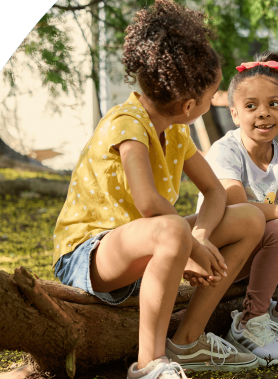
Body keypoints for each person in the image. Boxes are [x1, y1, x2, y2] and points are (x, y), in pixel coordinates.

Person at [52, 1, 266, 377]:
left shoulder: (177, 131)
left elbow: (215, 192)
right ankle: (149, 364)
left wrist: (198, 237)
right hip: (91, 254)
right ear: (187, 105)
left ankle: (187, 341)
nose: (213, 100)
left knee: (248, 217)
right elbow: (148, 203)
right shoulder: (126, 123)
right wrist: (190, 245)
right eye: (211, 95)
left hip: (151, 243)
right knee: (170, 228)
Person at [196, 51, 278, 366]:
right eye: (251, 106)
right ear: (233, 113)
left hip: (260, 252)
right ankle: (250, 322)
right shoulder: (226, 151)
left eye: (273, 104)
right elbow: (236, 205)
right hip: (219, 253)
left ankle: (271, 311)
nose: (264, 114)